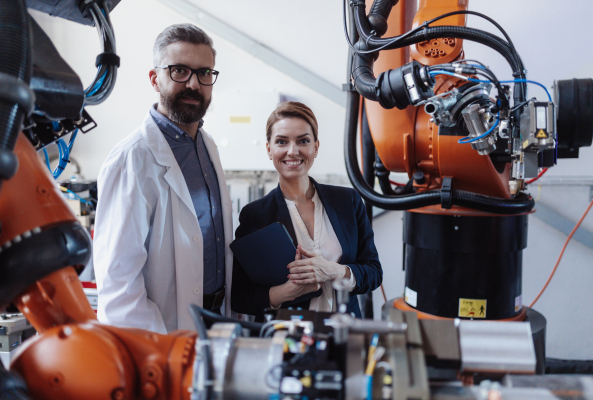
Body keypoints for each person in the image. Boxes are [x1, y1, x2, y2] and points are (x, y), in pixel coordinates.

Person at [93, 24, 233, 334]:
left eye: (204, 73)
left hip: (215, 321)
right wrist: (159, 350)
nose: (194, 84)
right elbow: (118, 284)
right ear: (155, 79)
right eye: (180, 71)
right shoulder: (131, 159)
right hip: (163, 333)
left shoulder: (207, 145)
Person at [231, 102, 382, 319]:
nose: (293, 151)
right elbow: (240, 297)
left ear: (316, 147)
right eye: (282, 142)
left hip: (345, 332)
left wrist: (334, 270)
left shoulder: (347, 201)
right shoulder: (256, 215)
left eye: (303, 141)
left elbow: (374, 273)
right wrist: (286, 292)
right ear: (269, 149)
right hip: (288, 338)